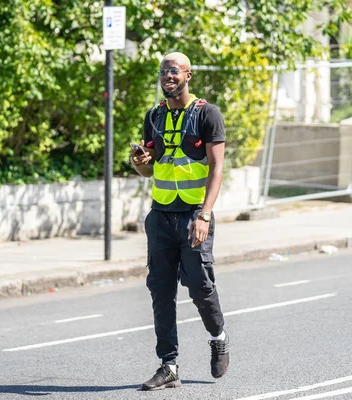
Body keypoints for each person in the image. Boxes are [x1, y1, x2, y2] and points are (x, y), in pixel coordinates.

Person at [131, 52, 230, 390]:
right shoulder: (154, 116)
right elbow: (148, 168)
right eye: (163, 71)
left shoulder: (207, 114)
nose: (166, 76)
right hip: (160, 216)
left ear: (188, 74)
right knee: (160, 291)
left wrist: (204, 214)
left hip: (192, 215)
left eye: (173, 71)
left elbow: (217, 168)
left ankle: (218, 336)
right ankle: (168, 365)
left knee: (200, 287)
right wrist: (138, 161)